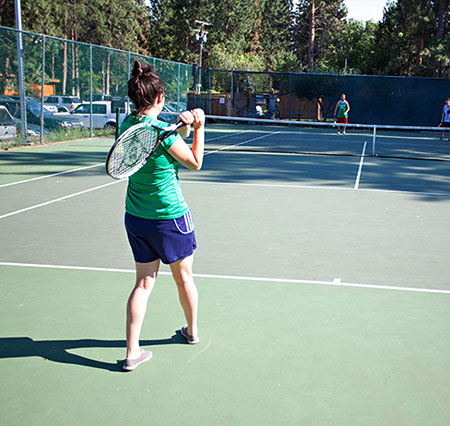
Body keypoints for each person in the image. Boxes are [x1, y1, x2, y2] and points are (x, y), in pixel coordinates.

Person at [121, 60, 205, 371]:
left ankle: (132, 353)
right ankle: (192, 332)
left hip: (137, 218)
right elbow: (195, 162)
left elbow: (159, 135)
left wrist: (179, 126)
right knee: (184, 280)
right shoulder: (163, 135)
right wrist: (198, 128)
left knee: (143, 284)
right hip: (171, 219)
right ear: (160, 98)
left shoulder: (126, 126)